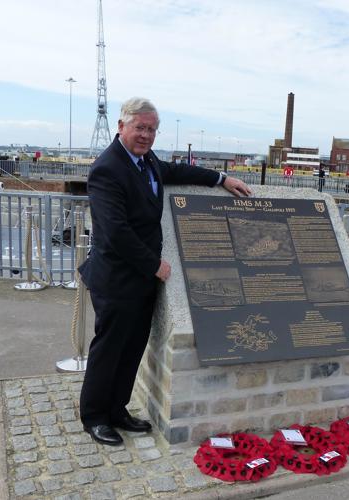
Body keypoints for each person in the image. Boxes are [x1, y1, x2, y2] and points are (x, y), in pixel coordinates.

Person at [78, 97, 251, 446]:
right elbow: (115, 232)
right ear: (121, 126)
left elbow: (176, 172)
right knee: (110, 348)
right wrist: (154, 264)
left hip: (142, 282)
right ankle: (95, 417)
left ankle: (117, 409)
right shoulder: (107, 169)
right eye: (139, 127)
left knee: (132, 349)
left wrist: (221, 178)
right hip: (116, 279)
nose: (145, 135)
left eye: (151, 129)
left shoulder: (147, 161)